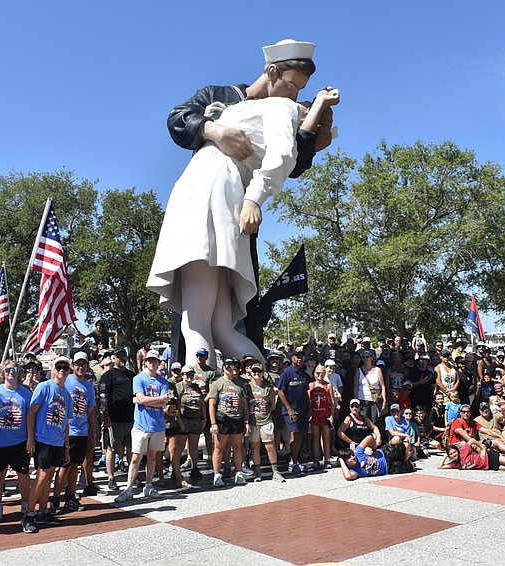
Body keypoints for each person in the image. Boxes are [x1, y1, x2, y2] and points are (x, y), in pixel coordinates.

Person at [150, 84, 338, 363]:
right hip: (228, 210)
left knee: (195, 324)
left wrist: (319, 106)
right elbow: (179, 119)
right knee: (222, 329)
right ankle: (262, 388)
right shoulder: (266, 109)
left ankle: (196, 395)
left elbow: (288, 155)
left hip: (206, 201)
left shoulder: (277, 107)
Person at [0, 359, 34, 530]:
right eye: (8, 370)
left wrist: (30, 439)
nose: (11, 373)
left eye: (14, 370)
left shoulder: (26, 394)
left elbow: (29, 419)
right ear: (3, 373)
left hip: (20, 442)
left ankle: (26, 503)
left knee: (23, 474)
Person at [25, 355, 73, 530]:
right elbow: (31, 413)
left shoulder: (66, 395)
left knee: (49, 477)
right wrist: (30, 437)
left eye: (65, 367)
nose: (61, 370)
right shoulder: (44, 387)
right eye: (58, 367)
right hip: (42, 438)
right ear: (52, 369)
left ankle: (43, 511)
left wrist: (66, 446)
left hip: (58, 441)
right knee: (42, 475)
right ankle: (29, 514)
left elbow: (66, 422)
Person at [116, 350, 170, 503]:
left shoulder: (163, 382)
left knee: (152, 456)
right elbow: (142, 398)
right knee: (136, 457)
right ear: (145, 362)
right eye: (150, 360)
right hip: (141, 424)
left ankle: (148, 485)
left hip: (158, 424)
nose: (152, 363)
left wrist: (148, 400)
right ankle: (129, 488)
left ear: (158, 363)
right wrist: (157, 399)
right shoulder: (138, 379)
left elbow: (163, 402)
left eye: (155, 361)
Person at [51, 352, 97, 514]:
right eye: (78, 364)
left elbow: (91, 412)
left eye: (83, 364)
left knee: (75, 465)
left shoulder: (89, 386)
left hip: (82, 431)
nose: (81, 367)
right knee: (64, 465)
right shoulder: (67, 380)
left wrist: (93, 433)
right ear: (72, 365)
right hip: (66, 430)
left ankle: (70, 496)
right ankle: (55, 498)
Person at [206, 357, 251, 487]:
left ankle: (238, 472)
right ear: (223, 367)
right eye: (228, 366)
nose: (230, 368)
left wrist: (246, 421)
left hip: (237, 418)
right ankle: (216, 474)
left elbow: (245, 404)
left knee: (237, 447)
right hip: (222, 418)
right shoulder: (217, 383)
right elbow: (211, 404)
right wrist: (213, 423)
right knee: (219, 447)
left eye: (232, 366)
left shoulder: (241, 385)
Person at [99, 347, 135, 491]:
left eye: (124, 356)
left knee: (132, 448)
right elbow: (103, 398)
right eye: (119, 356)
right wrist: (105, 416)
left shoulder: (132, 375)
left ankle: (132, 477)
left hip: (131, 419)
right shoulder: (108, 376)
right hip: (114, 419)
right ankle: (111, 477)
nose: (122, 359)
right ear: (114, 358)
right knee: (111, 448)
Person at [276, 350, 311, 476]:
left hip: (303, 411)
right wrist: (289, 408)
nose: (300, 359)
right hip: (291, 411)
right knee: (294, 435)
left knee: (301, 435)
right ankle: (292, 463)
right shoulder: (287, 372)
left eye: (302, 357)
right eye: (297, 357)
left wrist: (310, 408)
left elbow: (306, 392)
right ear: (292, 358)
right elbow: (280, 391)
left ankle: (295, 461)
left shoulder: (304, 374)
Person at [438, 438, 505, 471]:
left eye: (454, 452)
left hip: (488, 456)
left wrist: (482, 449)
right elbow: (440, 467)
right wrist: (445, 455)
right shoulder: (455, 464)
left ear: (457, 450)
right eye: (451, 454)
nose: (453, 455)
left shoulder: (463, 451)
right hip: (487, 466)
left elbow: (471, 440)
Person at [337, 433, 413, 480]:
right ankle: (405, 459)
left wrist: (374, 449)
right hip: (388, 468)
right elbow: (348, 477)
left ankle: (405, 457)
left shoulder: (358, 453)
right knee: (412, 466)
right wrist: (341, 461)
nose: (353, 457)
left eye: (352, 455)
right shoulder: (355, 471)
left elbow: (369, 437)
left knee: (408, 446)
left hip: (384, 454)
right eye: (349, 458)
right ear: (345, 462)